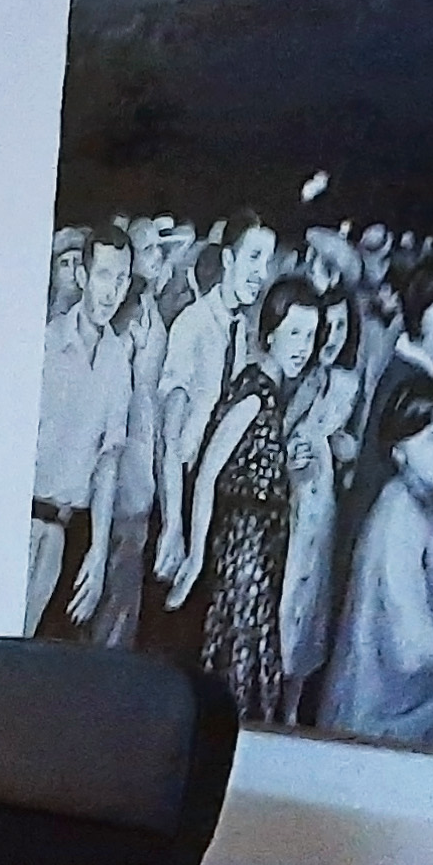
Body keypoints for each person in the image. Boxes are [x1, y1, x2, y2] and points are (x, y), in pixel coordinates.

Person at [320, 366, 433, 745]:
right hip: (381, 726)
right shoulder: (401, 518)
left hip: (408, 719)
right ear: (399, 451)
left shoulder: (424, 506)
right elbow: (410, 649)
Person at [183, 277, 326, 719]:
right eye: (295, 333)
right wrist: (194, 556)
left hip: (263, 554)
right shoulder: (254, 394)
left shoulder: (274, 394)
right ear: (271, 332)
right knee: (238, 662)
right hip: (242, 555)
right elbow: (208, 473)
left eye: (310, 335)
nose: (303, 347)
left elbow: (254, 465)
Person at [152, 212, 279, 662]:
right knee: (165, 633)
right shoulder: (191, 325)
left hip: (213, 496)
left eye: (268, 261)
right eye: (254, 257)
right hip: (181, 488)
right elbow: (171, 436)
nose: (261, 272)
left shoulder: (242, 331)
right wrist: (173, 523)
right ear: (228, 259)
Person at [32, 220, 148, 642]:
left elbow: (107, 463)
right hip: (24, 520)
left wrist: (98, 555)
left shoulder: (118, 361)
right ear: (82, 276)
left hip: (64, 535)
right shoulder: (45, 345)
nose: (111, 291)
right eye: (103, 275)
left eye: (120, 280)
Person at [277, 285, 369, 714]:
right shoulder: (299, 378)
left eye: (341, 327)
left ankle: (294, 706)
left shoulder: (348, 384)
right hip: (290, 500)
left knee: (312, 604)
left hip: (323, 501)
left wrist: (345, 449)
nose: (332, 337)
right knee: (285, 600)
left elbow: (353, 453)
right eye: (325, 328)